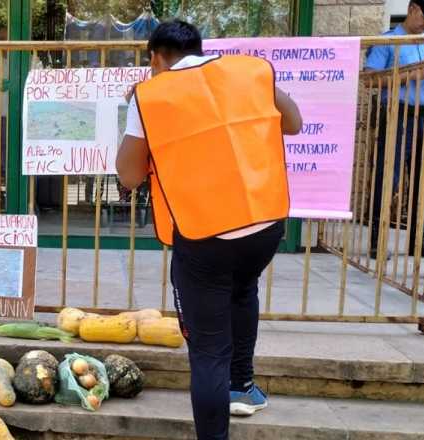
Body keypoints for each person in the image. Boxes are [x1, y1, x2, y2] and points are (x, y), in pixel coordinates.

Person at [116, 20, 302, 440]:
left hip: (204, 239)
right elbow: (292, 123)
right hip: (265, 225)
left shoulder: (150, 96)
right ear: (201, 49)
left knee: (208, 351)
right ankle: (242, 386)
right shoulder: (248, 73)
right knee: (242, 290)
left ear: (155, 58)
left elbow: (128, 176)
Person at [363, 0, 424, 276]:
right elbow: (369, 79)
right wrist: (411, 74)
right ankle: (379, 241)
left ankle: (420, 241)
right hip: (399, 115)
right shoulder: (389, 41)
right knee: (390, 179)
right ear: (412, 9)